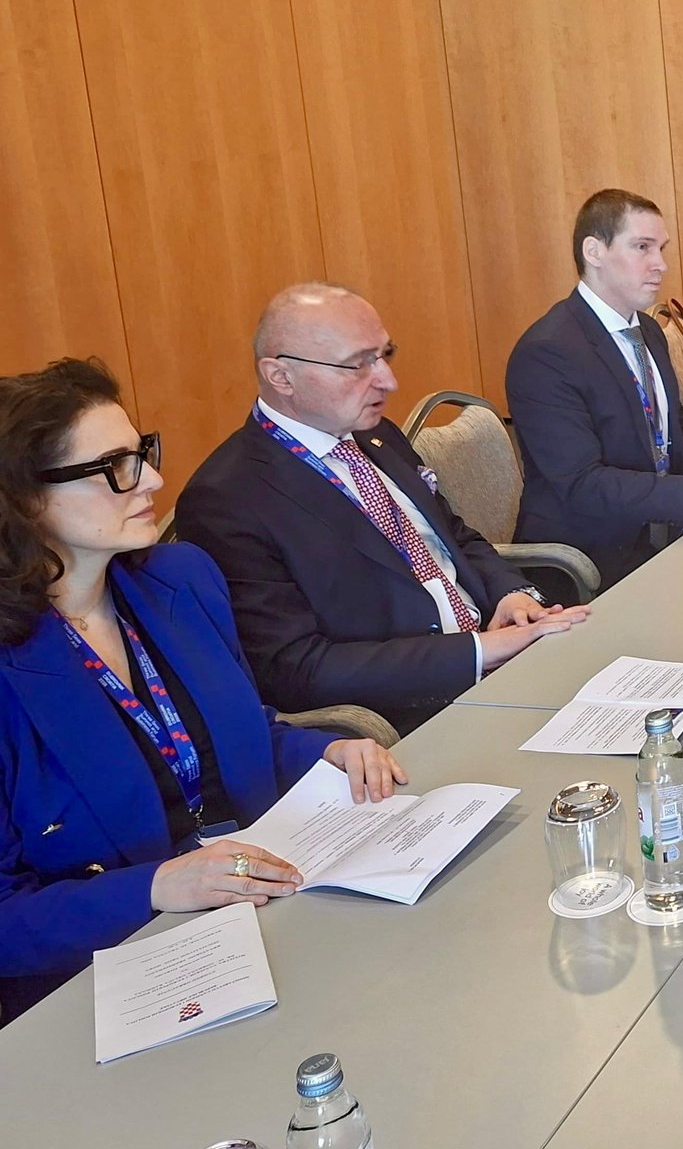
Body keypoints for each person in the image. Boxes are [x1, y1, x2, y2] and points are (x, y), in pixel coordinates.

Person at [0, 359, 404, 1018]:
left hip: (271, 909)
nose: (152, 480)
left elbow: (238, 731)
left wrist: (325, 751)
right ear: (25, 499)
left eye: (141, 453)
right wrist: (157, 886)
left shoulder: (180, 579)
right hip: (110, 983)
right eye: (115, 467)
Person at [178, 285, 589, 736]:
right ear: (281, 376)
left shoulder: (376, 434)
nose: (388, 381)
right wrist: (479, 652)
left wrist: (512, 595)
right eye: (358, 364)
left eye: (384, 355)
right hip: (416, 716)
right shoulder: (228, 500)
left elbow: (452, 536)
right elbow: (296, 667)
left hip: (506, 666)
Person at [507, 190, 683, 589]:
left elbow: (675, 428)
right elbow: (585, 485)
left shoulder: (646, 331)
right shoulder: (547, 352)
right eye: (642, 247)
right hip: (590, 562)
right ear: (594, 252)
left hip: (666, 537)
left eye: (661, 249)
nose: (660, 264)